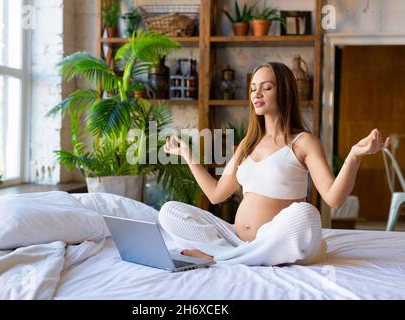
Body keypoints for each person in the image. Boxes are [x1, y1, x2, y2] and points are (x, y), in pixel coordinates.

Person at [160, 62, 390, 266]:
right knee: (169, 212)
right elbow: (216, 194)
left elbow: (334, 198)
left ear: (285, 92)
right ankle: (240, 254)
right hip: (238, 240)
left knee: (305, 213)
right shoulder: (246, 145)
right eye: (253, 88)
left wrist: (354, 156)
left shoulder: (303, 142)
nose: (257, 93)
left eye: (266, 87)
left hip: (284, 240)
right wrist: (187, 155)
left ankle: (220, 258)